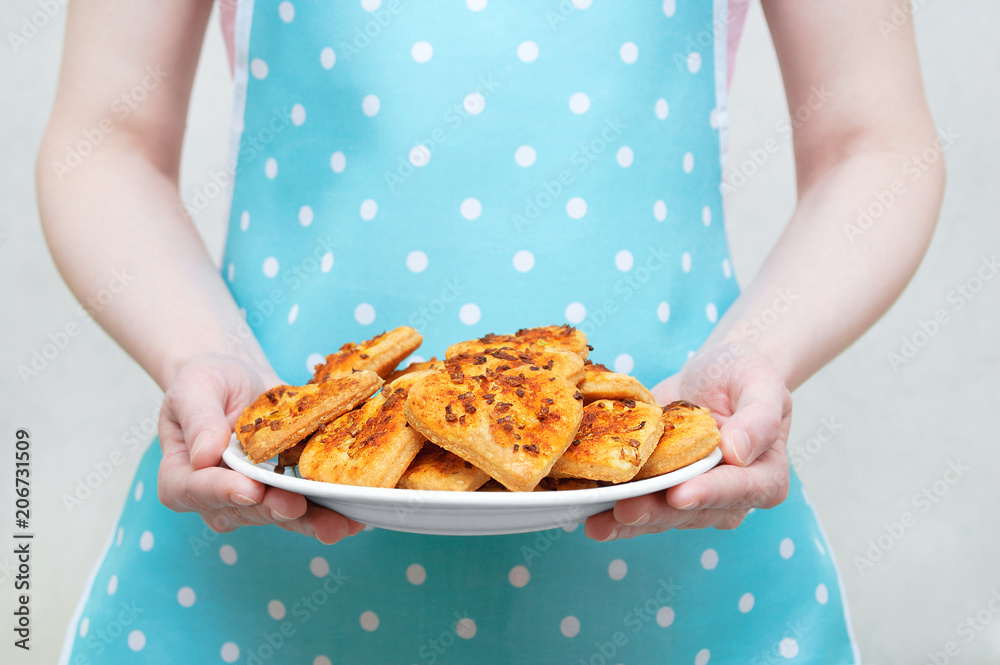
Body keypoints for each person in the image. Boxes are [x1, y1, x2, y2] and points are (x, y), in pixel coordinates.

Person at [38, 1, 943, 663]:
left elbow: (874, 143)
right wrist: (203, 355)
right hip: (249, 578)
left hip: (686, 574)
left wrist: (761, 355)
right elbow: (105, 137)